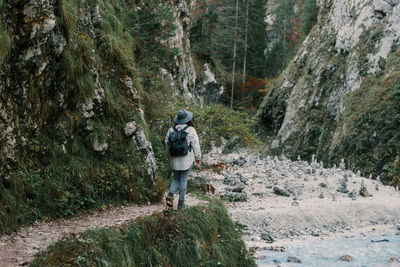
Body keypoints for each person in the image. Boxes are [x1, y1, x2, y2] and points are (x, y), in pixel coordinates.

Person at [164, 109, 201, 209]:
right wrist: (198, 158)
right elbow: (196, 145)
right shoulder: (191, 130)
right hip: (187, 159)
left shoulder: (171, 129)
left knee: (176, 178)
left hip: (174, 159)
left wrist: (167, 155)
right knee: (183, 179)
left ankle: (170, 195)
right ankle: (181, 203)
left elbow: (167, 144)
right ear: (187, 119)